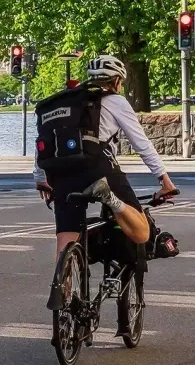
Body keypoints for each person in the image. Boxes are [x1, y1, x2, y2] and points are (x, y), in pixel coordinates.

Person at [34, 56, 178, 278]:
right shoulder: (115, 101)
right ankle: (111, 199)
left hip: (59, 173)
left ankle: (65, 291)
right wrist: (164, 180)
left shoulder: (65, 102)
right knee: (141, 232)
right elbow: (142, 144)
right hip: (97, 168)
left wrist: (41, 179)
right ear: (117, 80)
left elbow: (43, 143)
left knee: (65, 239)